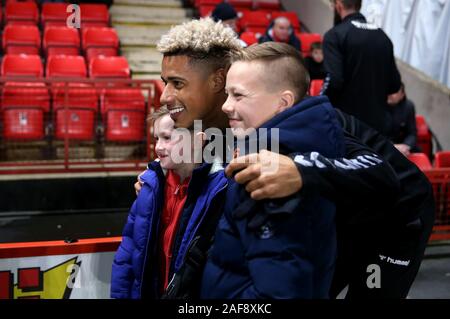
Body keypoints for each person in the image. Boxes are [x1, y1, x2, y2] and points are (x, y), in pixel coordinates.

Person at [132, 18, 406, 299]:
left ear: (217, 80)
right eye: (166, 82)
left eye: (177, 83)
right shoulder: (216, 123)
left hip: (399, 218)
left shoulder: (300, 123)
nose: (165, 95)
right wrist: (159, 179)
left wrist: (300, 170)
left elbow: (381, 174)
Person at [200, 42, 345, 299]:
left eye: (239, 95)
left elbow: (279, 293)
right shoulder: (291, 149)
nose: (225, 106)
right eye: (227, 94)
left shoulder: (272, 172)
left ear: (283, 102)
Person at [110, 107, 228, 299]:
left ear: (197, 141)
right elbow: (128, 252)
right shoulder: (149, 185)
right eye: (156, 138)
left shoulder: (219, 190)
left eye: (167, 138)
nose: (158, 147)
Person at [322, 0, 402, 136]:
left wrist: (321, 102)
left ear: (339, 5)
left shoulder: (335, 35)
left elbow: (334, 81)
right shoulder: (383, 37)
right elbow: (394, 85)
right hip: (378, 129)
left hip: (349, 127)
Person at [387, 83, 418, 156]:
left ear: (402, 95)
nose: (390, 94)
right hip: (384, 146)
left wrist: (406, 146)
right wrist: (393, 147)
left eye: (394, 91)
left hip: (404, 147)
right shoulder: (377, 107)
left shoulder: (408, 106)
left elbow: (412, 133)